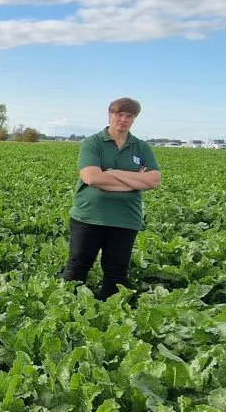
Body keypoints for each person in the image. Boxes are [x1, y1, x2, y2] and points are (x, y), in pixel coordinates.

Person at [61, 98, 162, 299]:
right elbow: (91, 177)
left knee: (116, 272)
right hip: (89, 216)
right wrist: (135, 180)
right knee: (78, 266)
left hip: (125, 219)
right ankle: (65, 309)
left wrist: (113, 172)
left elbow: (153, 181)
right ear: (110, 115)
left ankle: (110, 317)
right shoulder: (93, 142)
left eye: (129, 116)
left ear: (134, 119)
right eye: (119, 114)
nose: (123, 119)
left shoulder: (141, 147)